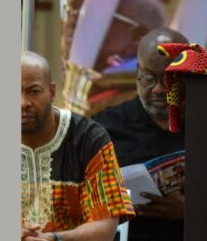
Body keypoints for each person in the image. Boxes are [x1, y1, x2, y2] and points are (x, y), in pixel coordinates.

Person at [21, 51, 134, 241]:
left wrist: (54, 238)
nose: (23, 103)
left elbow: (105, 227)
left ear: (52, 92)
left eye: (34, 91)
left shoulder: (89, 139)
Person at [93, 28, 188, 241]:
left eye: (169, 79)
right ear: (137, 71)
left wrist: (188, 212)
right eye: (148, 78)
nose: (158, 89)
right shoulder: (105, 126)